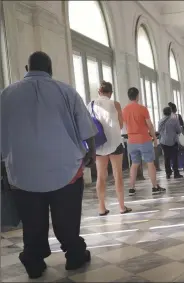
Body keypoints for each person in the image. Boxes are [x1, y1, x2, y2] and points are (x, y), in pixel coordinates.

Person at [0, 51, 96, 278]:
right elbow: (86, 128)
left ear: (27, 67)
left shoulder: (6, 94)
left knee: (32, 221)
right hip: (66, 169)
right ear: (50, 69)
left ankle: (33, 260)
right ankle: (74, 255)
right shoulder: (66, 91)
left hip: (22, 172)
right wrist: (90, 153)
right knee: (67, 217)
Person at [87, 81, 132, 216]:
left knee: (101, 176)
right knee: (118, 174)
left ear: (99, 91)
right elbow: (120, 124)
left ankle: (101, 208)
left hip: (99, 144)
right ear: (110, 93)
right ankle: (122, 207)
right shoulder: (115, 104)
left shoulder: (91, 104)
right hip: (115, 143)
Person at [122, 87, 165, 195]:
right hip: (144, 139)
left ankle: (131, 188)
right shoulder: (142, 109)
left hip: (131, 140)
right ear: (137, 96)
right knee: (150, 163)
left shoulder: (125, 110)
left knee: (134, 164)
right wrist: (154, 138)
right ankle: (155, 187)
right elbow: (150, 125)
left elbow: (124, 125)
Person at [158, 107, 183, 179]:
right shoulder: (174, 120)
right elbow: (178, 130)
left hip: (163, 141)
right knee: (174, 157)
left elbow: (159, 131)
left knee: (166, 157)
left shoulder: (160, 121)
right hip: (173, 141)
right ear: (171, 112)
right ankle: (176, 173)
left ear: (163, 113)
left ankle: (168, 174)